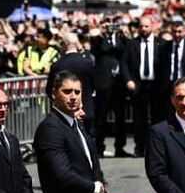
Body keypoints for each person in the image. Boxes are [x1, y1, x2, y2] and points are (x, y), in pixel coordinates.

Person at [125, 15, 165, 156]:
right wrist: (128, 80)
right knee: (139, 119)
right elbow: (124, 63)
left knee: (157, 118)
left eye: (146, 26)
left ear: (152, 26)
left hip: (156, 86)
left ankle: (156, 148)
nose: (143, 29)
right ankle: (140, 147)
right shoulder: (132, 43)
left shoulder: (161, 43)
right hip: (138, 85)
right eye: (141, 26)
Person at [91, 23, 132, 157]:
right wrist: (102, 35)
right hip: (104, 83)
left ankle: (120, 147)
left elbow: (128, 50)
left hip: (119, 84)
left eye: (113, 25)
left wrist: (124, 35)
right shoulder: (99, 40)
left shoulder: (121, 39)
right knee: (101, 117)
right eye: (108, 25)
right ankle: (99, 147)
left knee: (120, 118)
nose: (111, 28)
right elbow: (99, 49)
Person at [48, 32, 97, 133]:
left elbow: (50, 90)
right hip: (86, 109)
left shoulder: (57, 65)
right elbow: (93, 85)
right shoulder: (87, 63)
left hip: (64, 113)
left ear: (65, 44)